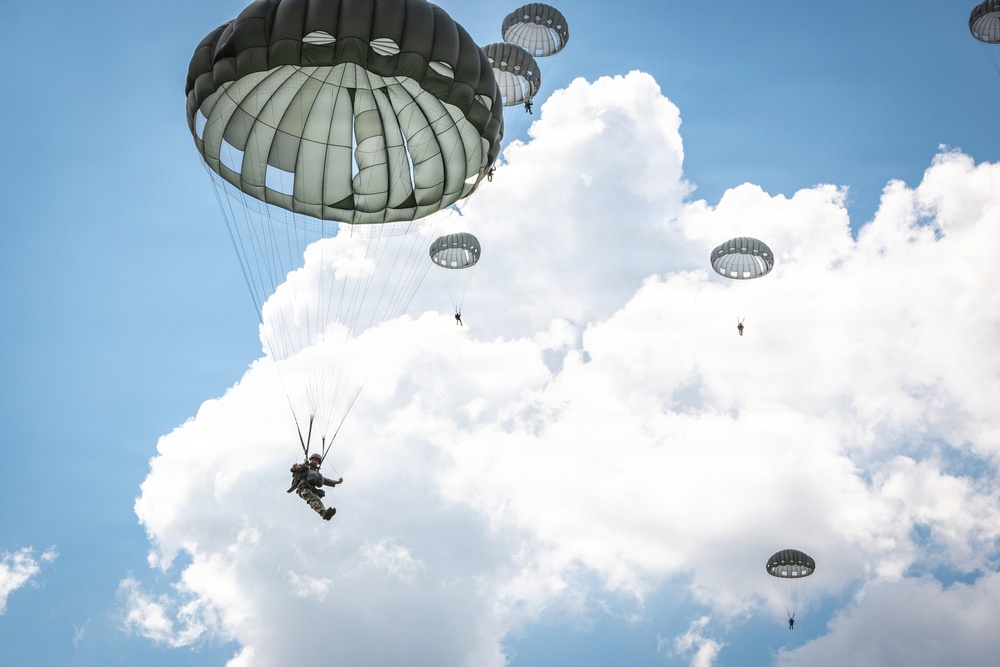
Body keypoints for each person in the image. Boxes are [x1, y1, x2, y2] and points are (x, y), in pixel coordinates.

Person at [287, 453, 342, 520]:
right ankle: (322, 512)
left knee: (318, 500)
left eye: (317, 461)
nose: (316, 462)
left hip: (311, 489)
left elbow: (325, 480)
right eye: (314, 460)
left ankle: (324, 512)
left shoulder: (316, 473)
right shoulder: (305, 467)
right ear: (310, 460)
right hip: (303, 488)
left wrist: (337, 482)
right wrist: (295, 467)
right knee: (312, 499)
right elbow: (295, 469)